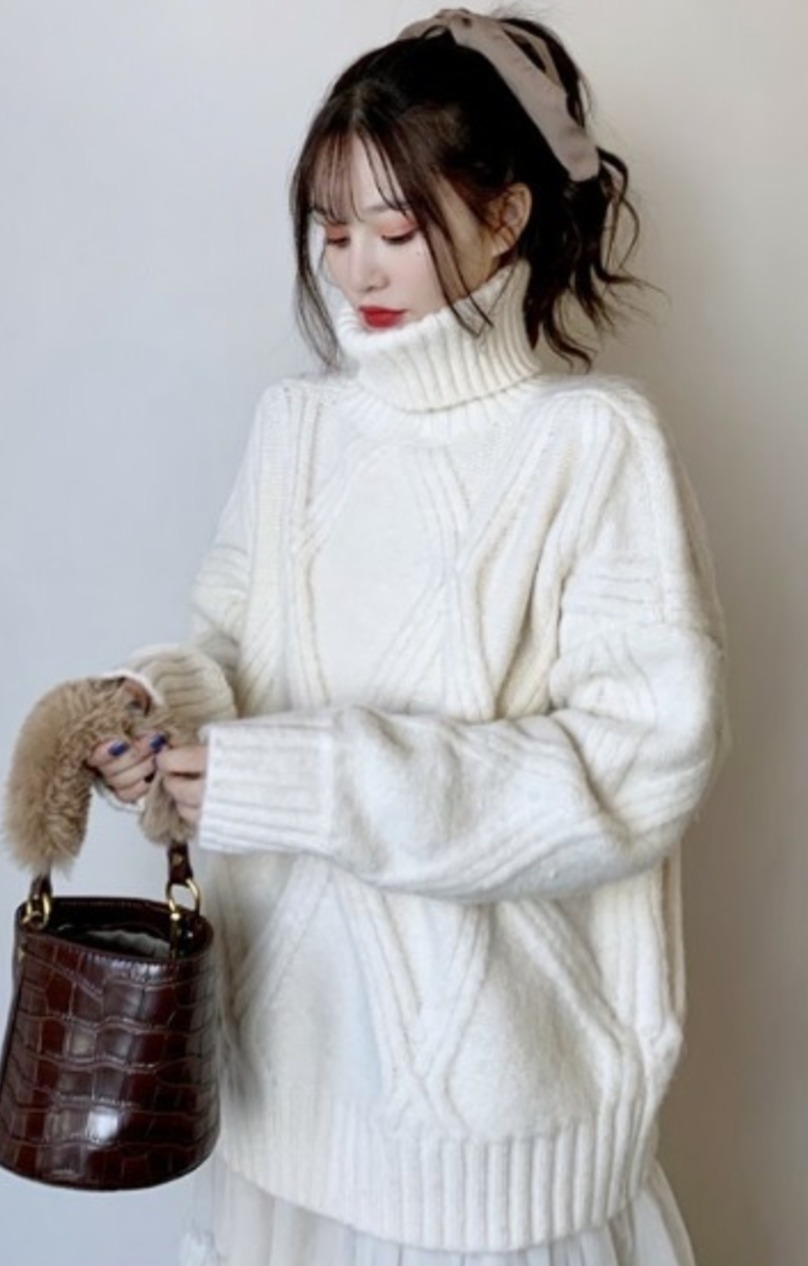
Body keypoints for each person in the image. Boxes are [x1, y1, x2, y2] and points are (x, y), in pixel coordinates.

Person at [89, 9, 726, 1264]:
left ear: (506, 217)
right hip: (286, 1076)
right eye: (333, 233)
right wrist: (154, 722)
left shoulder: (590, 444)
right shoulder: (295, 428)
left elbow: (633, 770)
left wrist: (317, 779)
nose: (356, 274)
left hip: (485, 1125)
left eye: (394, 231)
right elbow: (232, 656)